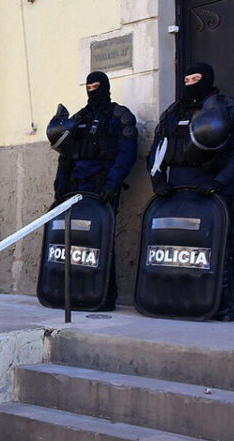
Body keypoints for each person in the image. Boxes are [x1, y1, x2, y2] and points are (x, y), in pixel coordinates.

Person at [147, 62, 234, 321]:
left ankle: (221, 304)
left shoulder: (227, 107)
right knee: (175, 248)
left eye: (197, 78)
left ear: (208, 79)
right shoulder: (173, 111)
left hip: (211, 188)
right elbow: (156, 151)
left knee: (217, 245)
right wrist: (157, 180)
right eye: (188, 79)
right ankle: (173, 300)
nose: (191, 83)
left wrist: (220, 182)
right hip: (175, 190)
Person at [50, 71, 138, 308]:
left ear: (106, 86)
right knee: (74, 242)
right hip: (76, 188)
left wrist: (112, 183)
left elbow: (127, 152)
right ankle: (75, 292)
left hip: (103, 188)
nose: (92, 90)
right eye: (89, 86)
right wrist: (60, 190)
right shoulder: (78, 118)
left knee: (101, 240)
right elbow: (65, 157)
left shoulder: (120, 115)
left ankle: (104, 295)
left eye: (97, 86)